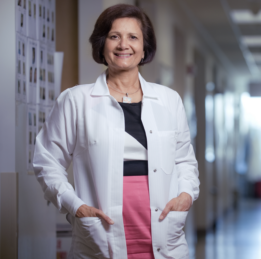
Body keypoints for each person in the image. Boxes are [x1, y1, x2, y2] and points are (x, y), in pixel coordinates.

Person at [33, 4, 199, 259]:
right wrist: (75, 206)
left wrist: (186, 195)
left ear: (145, 47)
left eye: (133, 37)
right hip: (100, 235)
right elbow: (46, 160)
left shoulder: (169, 100)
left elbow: (185, 159)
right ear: (102, 45)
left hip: (164, 233)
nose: (124, 45)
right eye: (114, 36)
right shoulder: (76, 100)